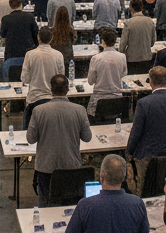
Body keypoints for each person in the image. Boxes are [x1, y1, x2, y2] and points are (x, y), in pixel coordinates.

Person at [25, 74, 92, 206]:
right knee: (70, 207)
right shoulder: (79, 110)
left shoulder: (39, 111)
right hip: (71, 167)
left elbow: (30, 139)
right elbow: (87, 137)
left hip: (46, 168)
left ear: (51, 89)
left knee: (46, 206)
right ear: (67, 89)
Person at [21, 27, 65, 116]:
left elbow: (25, 79)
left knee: (28, 128)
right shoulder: (58, 55)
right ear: (51, 39)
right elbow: (61, 78)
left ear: (38, 38)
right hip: (53, 99)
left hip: (34, 100)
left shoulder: (29, 55)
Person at [86, 28, 127, 110]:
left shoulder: (96, 58)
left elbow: (90, 81)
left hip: (98, 101)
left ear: (103, 41)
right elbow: (124, 74)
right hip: (117, 100)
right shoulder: (122, 57)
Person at [1, 0, 38, 78]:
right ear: (21, 4)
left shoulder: (5, 19)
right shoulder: (30, 17)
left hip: (11, 53)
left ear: (10, 5)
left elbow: (2, 34)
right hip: (27, 51)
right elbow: (36, 33)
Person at [119, 0, 156, 69]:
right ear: (142, 8)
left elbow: (123, 44)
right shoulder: (150, 22)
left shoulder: (128, 23)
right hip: (147, 57)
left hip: (132, 58)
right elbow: (152, 42)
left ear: (131, 8)